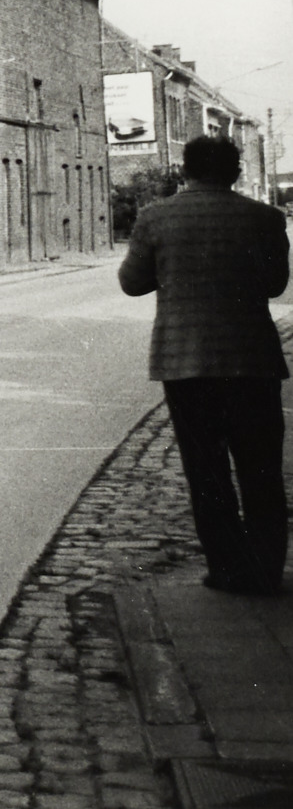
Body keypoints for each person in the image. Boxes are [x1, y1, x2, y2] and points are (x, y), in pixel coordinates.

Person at [119, 134, 291, 594]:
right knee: (261, 469)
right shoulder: (266, 218)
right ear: (235, 172)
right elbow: (276, 284)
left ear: (184, 170)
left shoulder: (155, 217)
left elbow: (131, 283)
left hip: (185, 363)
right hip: (252, 361)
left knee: (207, 473)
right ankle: (266, 570)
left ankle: (227, 568)